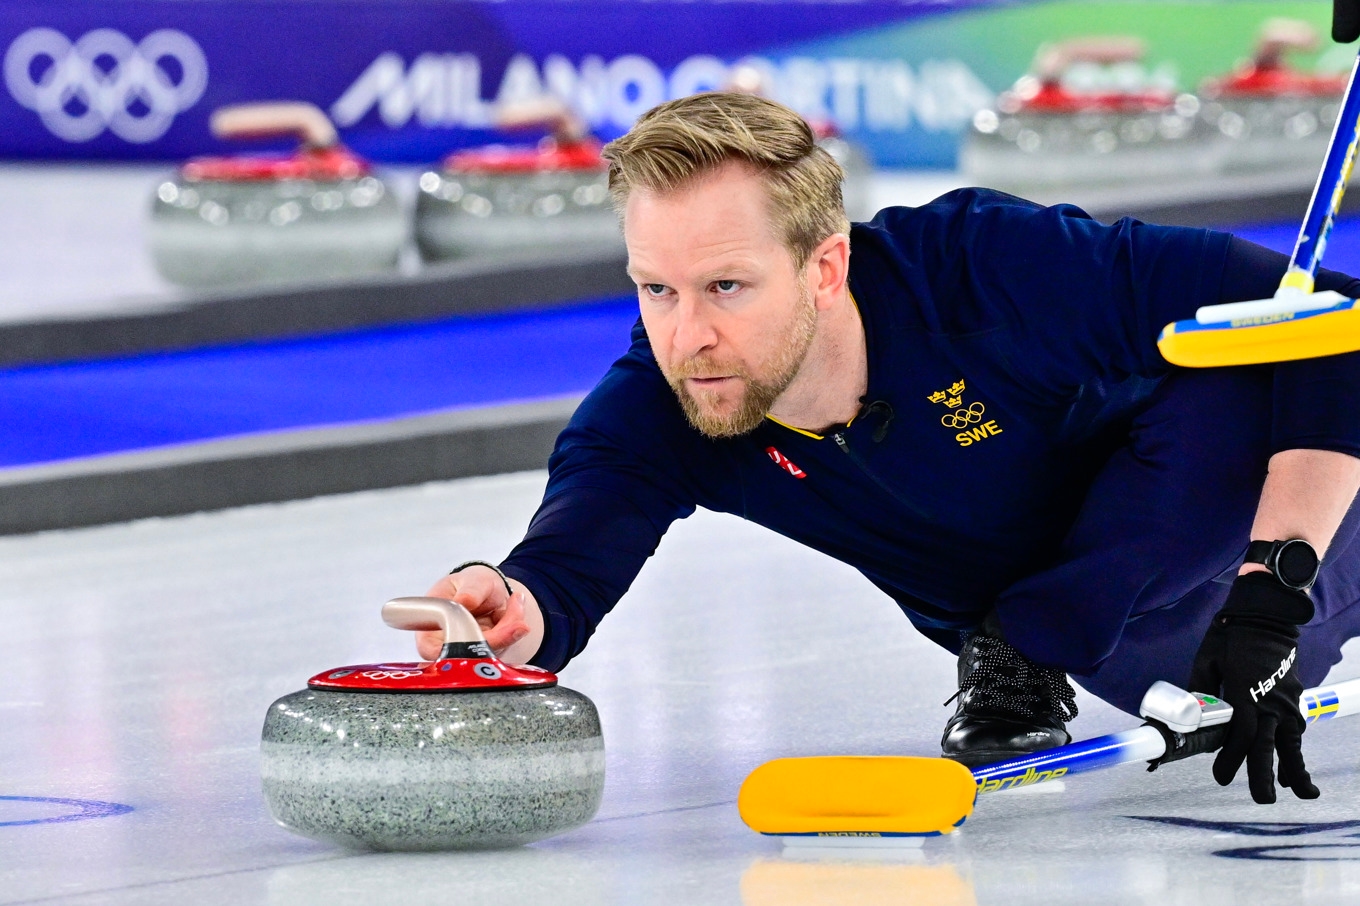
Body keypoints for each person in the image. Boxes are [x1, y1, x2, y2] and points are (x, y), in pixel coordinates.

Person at [412, 92, 1360, 805]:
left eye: (726, 287)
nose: (687, 334)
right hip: (1157, 649)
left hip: (1296, 527)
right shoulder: (666, 405)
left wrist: (1272, 586)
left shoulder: (990, 268)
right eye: (656, 290)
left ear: (826, 266)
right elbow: (569, 556)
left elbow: (1331, 316)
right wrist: (513, 614)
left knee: (1238, 362)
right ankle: (1025, 650)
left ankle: (1029, 644)